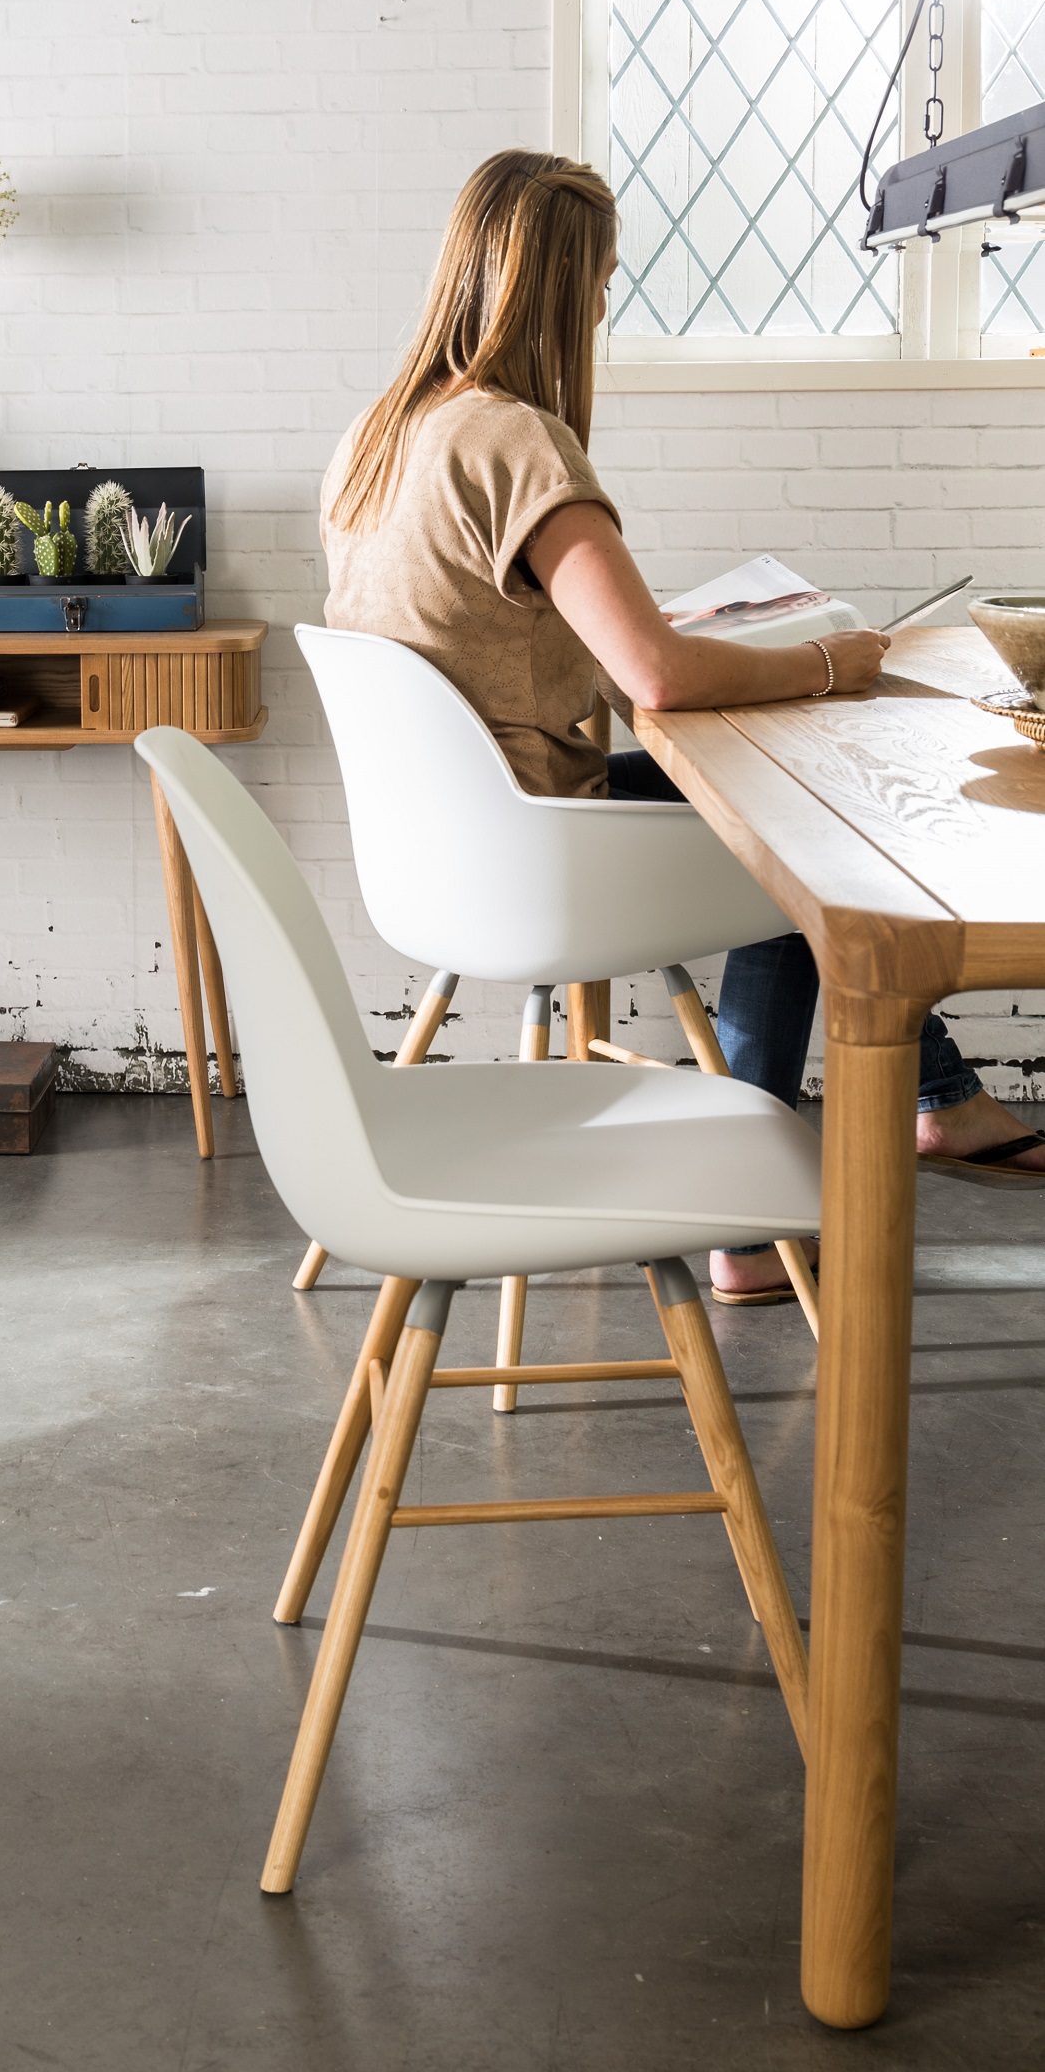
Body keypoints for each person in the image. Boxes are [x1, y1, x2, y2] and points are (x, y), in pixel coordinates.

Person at [320, 146, 1045, 1307]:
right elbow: (651, 676)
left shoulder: (379, 436)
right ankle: (751, 1216)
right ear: (555, 283)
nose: (606, 299)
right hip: (536, 851)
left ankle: (939, 1099)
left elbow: (520, 638)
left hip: (442, 845)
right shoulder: (512, 441)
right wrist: (826, 658)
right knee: (801, 845)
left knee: (779, 820)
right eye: (600, 274)